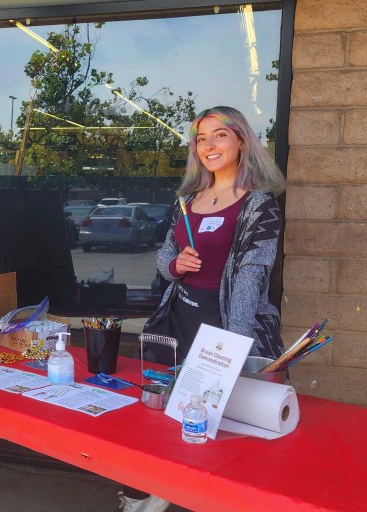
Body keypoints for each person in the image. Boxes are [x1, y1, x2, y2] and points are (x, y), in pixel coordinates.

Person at [119, 106, 286, 512]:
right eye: (201, 138)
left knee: (222, 425)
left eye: (220, 135)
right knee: (167, 416)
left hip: (227, 325)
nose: (209, 145)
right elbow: (165, 259)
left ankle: (211, 498)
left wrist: (231, 348)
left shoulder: (258, 205)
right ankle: (153, 495)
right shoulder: (188, 200)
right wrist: (176, 266)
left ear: (241, 141)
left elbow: (251, 278)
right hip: (180, 322)